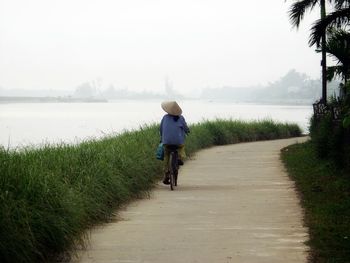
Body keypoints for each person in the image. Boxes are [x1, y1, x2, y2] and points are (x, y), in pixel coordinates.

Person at [160, 101, 190, 185]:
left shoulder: (165, 118)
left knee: (166, 155)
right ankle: (180, 158)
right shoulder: (181, 118)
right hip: (178, 142)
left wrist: (162, 138)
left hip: (166, 141)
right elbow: (186, 128)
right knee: (181, 147)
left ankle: (166, 173)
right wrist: (188, 131)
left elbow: (161, 129)